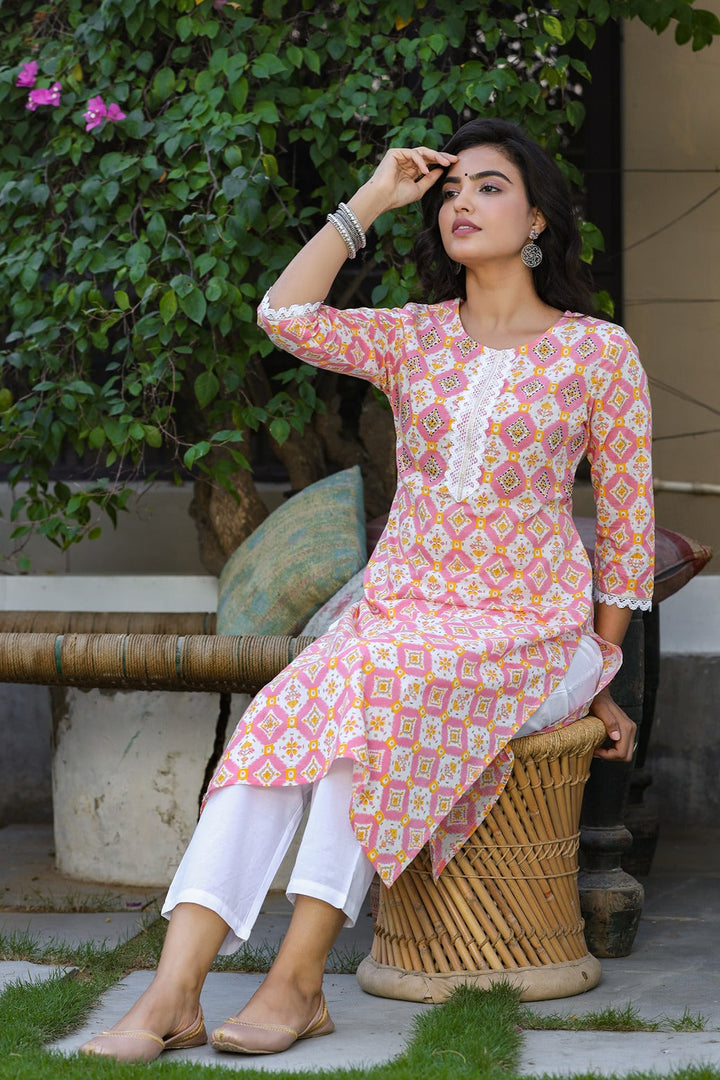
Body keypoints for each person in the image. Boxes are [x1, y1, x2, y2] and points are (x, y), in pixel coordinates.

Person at [80, 118, 653, 1062]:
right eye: (451, 191)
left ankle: (297, 981)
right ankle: (173, 991)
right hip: (398, 622)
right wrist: (375, 198)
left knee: (373, 696)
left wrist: (602, 671)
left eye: (490, 186)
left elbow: (627, 533)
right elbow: (284, 316)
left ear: (538, 218)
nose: (461, 202)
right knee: (283, 716)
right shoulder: (414, 338)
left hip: (531, 629)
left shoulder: (598, 353)